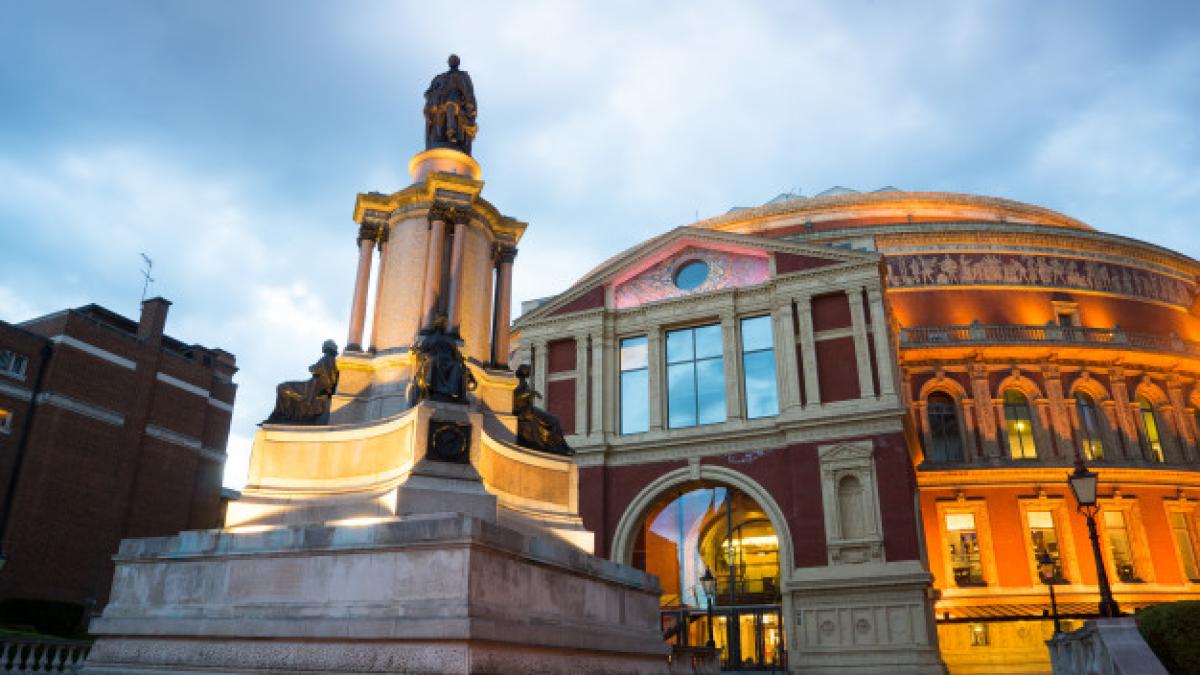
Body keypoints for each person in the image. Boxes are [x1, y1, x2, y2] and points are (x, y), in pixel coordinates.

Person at [267, 340, 339, 424]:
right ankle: (284, 415)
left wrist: (313, 369)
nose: (322, 348)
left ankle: (284, 415)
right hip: (310, 386)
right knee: (282, 387)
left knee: (282, 387)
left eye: (324, 346)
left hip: (311, 389)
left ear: (327, 347)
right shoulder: (329, 359)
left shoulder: (328, 359)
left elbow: (322, 375)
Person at [512, 364, 572, 456]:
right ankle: (558, 446)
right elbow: (515, 398)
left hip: (529, 410)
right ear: (523, 371)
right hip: (524, 412)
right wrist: (531, 393)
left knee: (554, 420)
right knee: (553, 420)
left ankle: (561, 446)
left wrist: (530, 394)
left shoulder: (523, 382)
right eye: (528, 370)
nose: (530, 372)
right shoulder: (515, 382)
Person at [423, 54, 478, 154]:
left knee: (451, 103)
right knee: (438, 110)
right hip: (439, 103)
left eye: (455, 60)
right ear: (448, 62)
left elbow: (468, 94)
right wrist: (435, 94)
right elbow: (427, 93)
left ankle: (451, 133)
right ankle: (439, 137)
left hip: (456, 103)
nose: (453, 61)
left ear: (458, 62)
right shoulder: (439, 78)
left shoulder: (463, 76)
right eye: (451, 60)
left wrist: (470, 109)